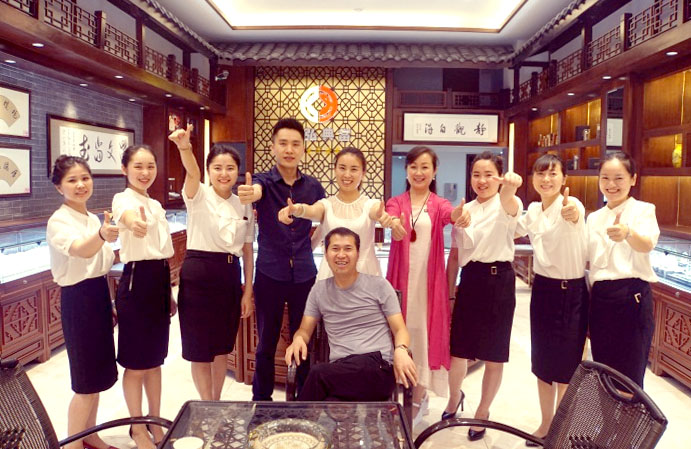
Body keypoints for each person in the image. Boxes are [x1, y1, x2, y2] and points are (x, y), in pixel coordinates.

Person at [238, 118, 326, 400]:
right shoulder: (263, 181)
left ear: (303, 149)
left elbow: (324, 219)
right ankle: (261, 401)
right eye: (283, 143)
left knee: (304, 340)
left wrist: (308, 246)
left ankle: (305, 400)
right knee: (266, 341)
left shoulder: (313, 187)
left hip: (305, 276)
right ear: (273, 147)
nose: (289, 149)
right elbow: (256, 191)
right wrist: (251, 193)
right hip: (269, 274)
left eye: (295, 144)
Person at [169, 125, 254, 400]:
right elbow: (192, 172)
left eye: (230, 168)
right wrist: (185, 147)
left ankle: (215, 403)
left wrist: (248, 291)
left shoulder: (244, 203)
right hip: (198, 274)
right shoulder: (199, 194)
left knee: (221, 347)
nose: (223, 173)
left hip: (229, 275)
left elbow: (247, 249)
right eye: (217, 168)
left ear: (237, 171)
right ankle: (206, 404)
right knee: (199, 349)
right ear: (208, 170)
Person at [284, 227, 418, 401]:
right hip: (340, 372)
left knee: (318, 374)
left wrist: (401, 350)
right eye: (335, 248)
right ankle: (300, 418)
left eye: (348, 249)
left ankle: (294, 418)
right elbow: (304, 330)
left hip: (377, 367)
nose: (341, 255)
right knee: (326, 401)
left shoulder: (379, 285)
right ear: (326, 254)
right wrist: (298, 339)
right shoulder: (319, 291)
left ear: (357, 254)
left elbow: (400, 329)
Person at [385, 146, 466, 427]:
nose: (419, 172)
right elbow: (391, 218)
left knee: (423, 337)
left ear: (434, 171)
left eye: (425, 167)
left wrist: (459, 214)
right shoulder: (396, 202)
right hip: (401, 284)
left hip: (428, 287)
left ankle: (418, 398)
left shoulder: (439, 203)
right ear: (406, 170)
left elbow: (451, 215)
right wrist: (393, 224)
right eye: (413, 167)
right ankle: (401, 394)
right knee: (401, 335)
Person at [447, 151, 523, 441]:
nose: (482, 180)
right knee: (458, 350)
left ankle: (482, 411)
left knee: (494, 354)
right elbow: (455, 256)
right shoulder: (464, 209)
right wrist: (450, 293)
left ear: (499, 177)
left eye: (488, 174)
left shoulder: (507, 202)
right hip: (470, 280)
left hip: (498, 281)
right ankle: (454, 398)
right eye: (476, 175)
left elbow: (510, 202)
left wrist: (511, 187)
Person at [515, 154, 588, 444]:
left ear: (564, 179)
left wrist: (572, 213)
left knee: (567, 366)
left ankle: (560, 428)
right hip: (543, 290)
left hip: (572, 292)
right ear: (533, 178)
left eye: (553, 173)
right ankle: (545, 424)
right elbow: (513, 227)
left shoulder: (573, 204)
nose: (546, 179)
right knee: (543, 363)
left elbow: (575, 214)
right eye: (540, 174)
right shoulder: (533, 210)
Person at [47, 156, 119, 449]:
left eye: (85, 178)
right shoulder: (58, 221)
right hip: (78, 300)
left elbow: (101, 263)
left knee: (98, 376)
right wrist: (102, 234)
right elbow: (80, 250)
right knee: (85, 381)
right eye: (72, 180)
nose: (80, 185)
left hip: (98, 295)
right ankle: (72, 444)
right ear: (59, 187)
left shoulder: (91, 218)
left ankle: (90, 434)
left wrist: (109, 302)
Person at [112, 144, 176, 449]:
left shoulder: (156, 205)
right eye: (138, 166)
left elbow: (162, 252)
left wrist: (169, 292)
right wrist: (133, 223)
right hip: (136, 283)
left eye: (150, 166)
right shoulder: (122, 199)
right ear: (124, 169)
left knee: (155, 361)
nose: (145, 172)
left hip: (159, 281)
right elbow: (126, 217)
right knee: (136, 363)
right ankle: (137, 427)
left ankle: (154, 419)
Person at [587, 151, 659, 388]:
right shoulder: (594, 218)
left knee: (630, 377)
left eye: (619, 178)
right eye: (605, 178)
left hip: (632, 297)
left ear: (633, 179)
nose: (611, 184)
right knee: (604, 373)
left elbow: (647, 244)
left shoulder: (644, 210)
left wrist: (628, 233)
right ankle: (608, 414)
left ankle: (630, 414)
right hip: (600, 299)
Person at [277, 146, 393, 280]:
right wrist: (297, 209)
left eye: (354, 169)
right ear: (335, 170)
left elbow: (377, 213)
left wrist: (384, 218)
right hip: (331, 273)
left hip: (365, 273)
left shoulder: (371, 204)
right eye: (342, 168)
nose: (347, 175)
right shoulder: (326, 205)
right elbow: (311, 210)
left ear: (363, 173)